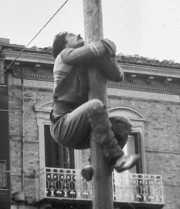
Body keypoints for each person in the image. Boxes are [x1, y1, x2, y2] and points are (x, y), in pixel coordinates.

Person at [50, 32, 140, 179]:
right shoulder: (64, 55)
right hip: (62, 125)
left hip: (82, 128)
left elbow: (118, 75)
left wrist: (104, 56)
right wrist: (108, 44)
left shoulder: (86, 61)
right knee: (95, 105)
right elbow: (96, 48)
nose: (78, 34)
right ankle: (117, 158)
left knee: (123, 123)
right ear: (64, 44)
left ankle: (94, 165)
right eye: (72, 35)